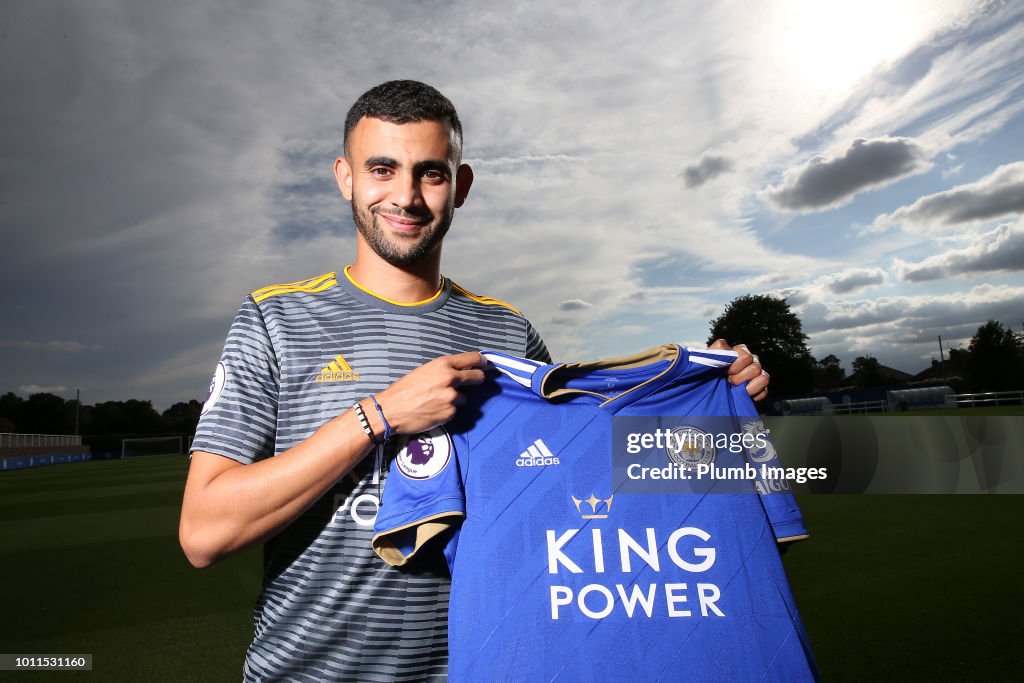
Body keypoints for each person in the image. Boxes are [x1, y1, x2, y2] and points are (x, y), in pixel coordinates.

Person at [179, 80, 770, 682]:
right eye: (382, 169)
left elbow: (587, 479)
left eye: (430, 174)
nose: (405, 196)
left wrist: (711, 409)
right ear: (346, 178)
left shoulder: (509, 334)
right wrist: (375, 418)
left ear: (460, 187)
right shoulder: (275, 319)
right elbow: (205, 532)